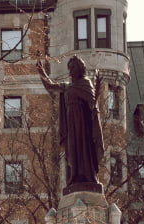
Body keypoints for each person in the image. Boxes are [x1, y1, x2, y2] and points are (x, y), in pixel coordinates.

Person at [39, 57, 105, 192]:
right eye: (70, 68)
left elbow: (92, 104)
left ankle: (88, 177)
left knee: (83, 150)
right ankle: (74, 177)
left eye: (74, 68)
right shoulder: (67, 86)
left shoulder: (86, 84)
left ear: (80, 69)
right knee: (72, 150)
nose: (71, 71)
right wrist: (41, 71)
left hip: (83, 124)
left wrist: (94, 108)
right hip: (71, 124)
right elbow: (50, 86)